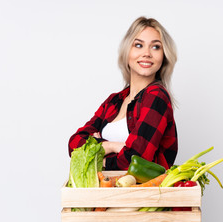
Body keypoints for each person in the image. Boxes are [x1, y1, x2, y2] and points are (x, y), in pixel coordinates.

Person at [68, 16, 178, 170]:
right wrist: (113, 146)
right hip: (106, 191)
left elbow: (136, 160)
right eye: (138, 45)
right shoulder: (114, 101)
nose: (146, 53)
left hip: (141, 193)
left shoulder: (156, 96)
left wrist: (98, 156)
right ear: (127, 53)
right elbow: (74, 146)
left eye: (155, 47)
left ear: (164, 56)